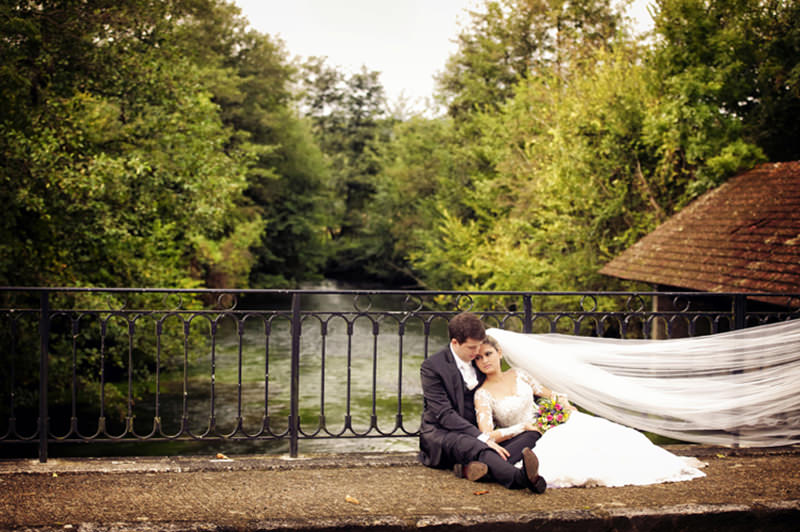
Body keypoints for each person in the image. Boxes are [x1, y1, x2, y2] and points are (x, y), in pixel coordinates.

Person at [473, 335, 707, 488]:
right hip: (530, 434)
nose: (485, 360)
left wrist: (562, 404)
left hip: (550, 422)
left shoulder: (519, 374)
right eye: (479, 358)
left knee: (612, 436)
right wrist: (522, 427)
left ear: (499, 353)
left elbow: (549, 394)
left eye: (488, 354)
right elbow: (488, 436)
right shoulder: (482, 394)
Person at [418, 312, 547, 493]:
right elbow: (444, 415)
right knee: (478, 446)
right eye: (472, 348)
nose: (477, 352)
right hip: (442, 433)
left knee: (531, 434)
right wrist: (483, 438)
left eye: (479, 346)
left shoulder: (480, 361)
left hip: (477, 432)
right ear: (455, 343)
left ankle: (478, 470)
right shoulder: (432, 367)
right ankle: (520, 478)